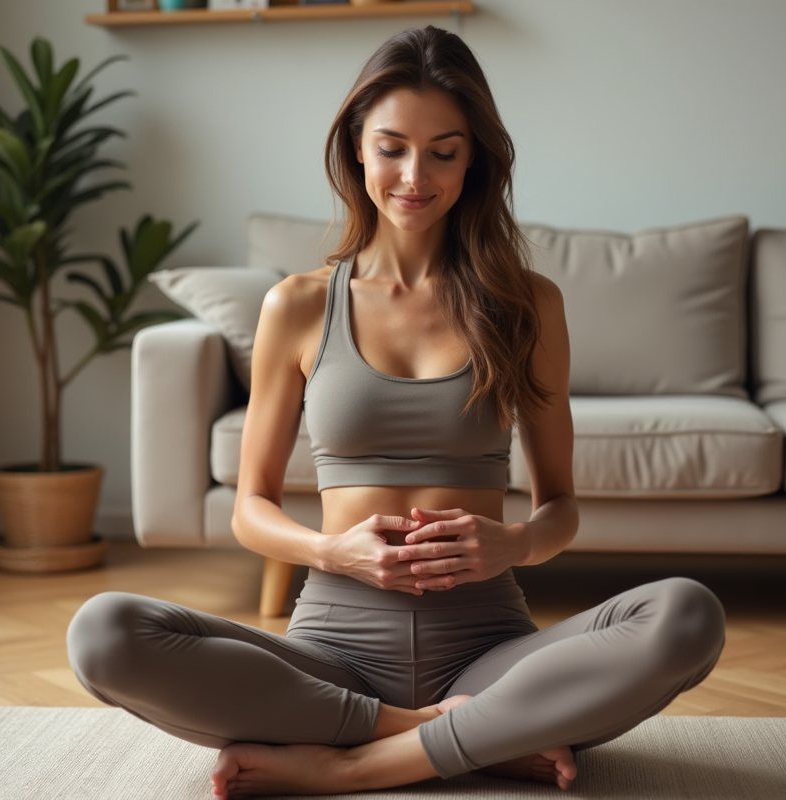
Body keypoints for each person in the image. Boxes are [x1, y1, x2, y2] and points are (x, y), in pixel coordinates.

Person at [67, 25, 725, 799]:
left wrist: (510, 543)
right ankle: (457, 736)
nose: (416, 176)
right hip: (331, 655)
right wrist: (332, 552)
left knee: (687, 614)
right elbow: (250, 509)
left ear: (475, 156)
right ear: (355, 148)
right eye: (392, 148)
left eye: (444, 151)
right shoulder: (300, 305)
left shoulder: (529, 306)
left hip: (490, 650)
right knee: (102, 632)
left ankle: (349, 763)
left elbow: (561, 508)